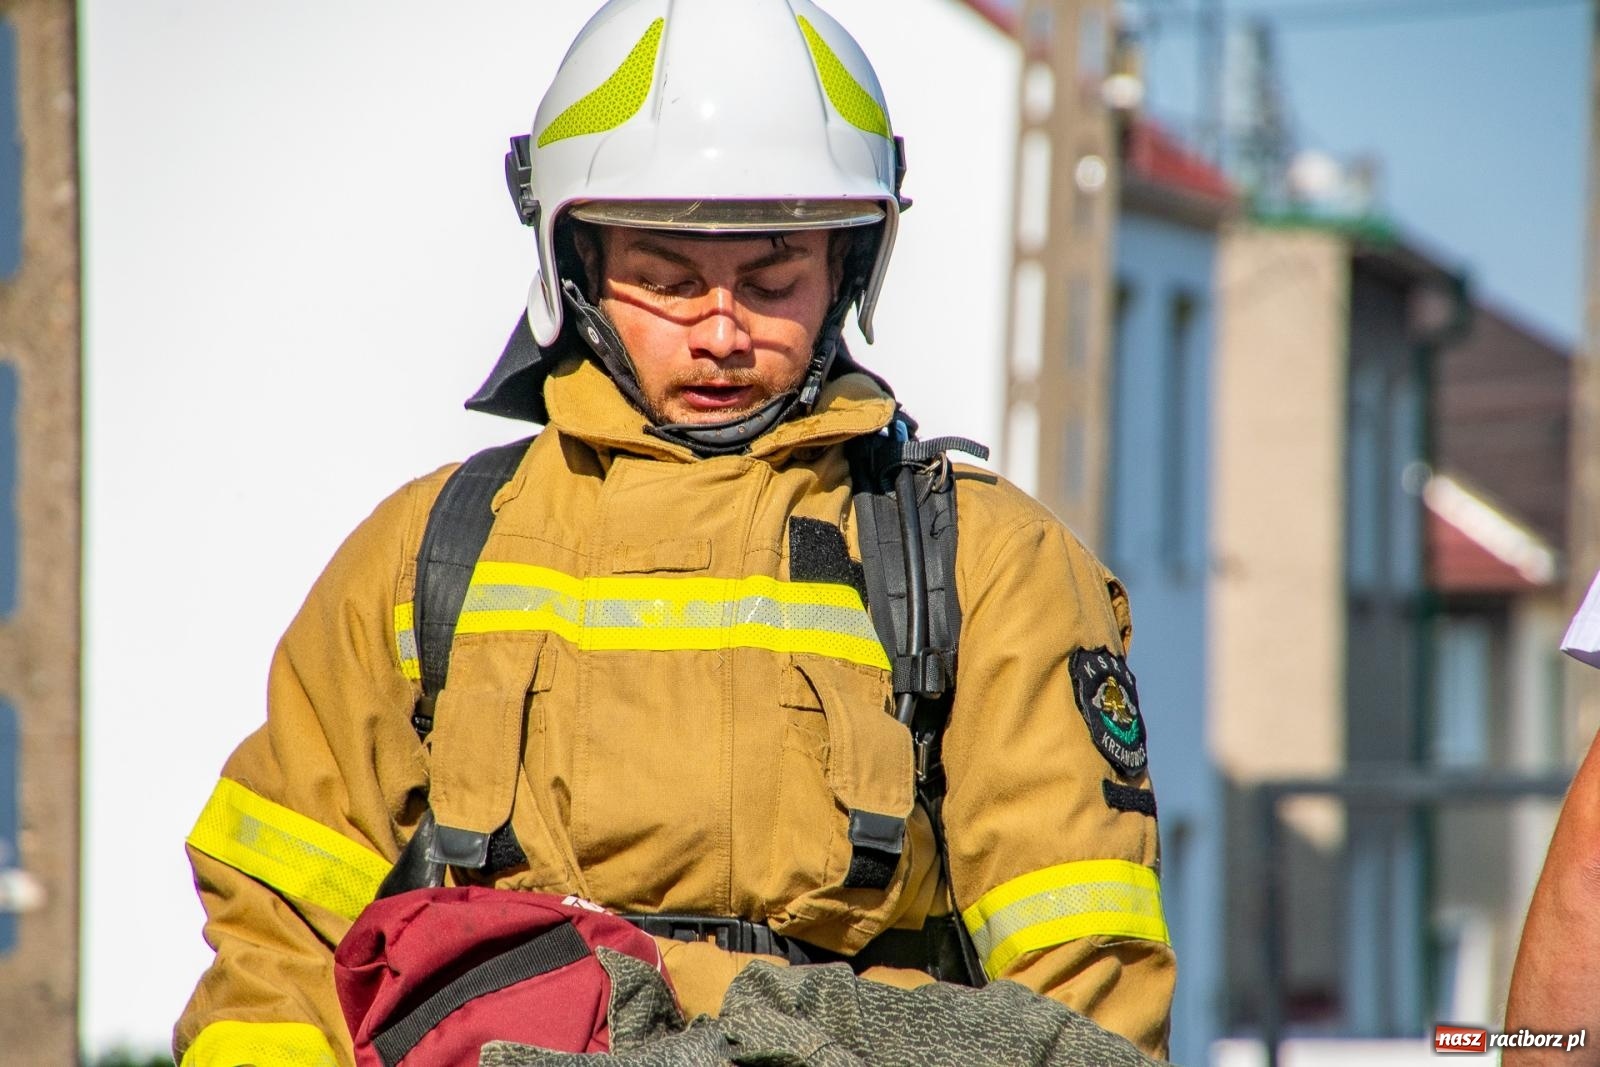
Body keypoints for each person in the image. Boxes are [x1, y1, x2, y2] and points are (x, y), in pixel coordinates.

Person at [173, 2, 1175, 1064]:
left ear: (848, 268)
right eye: (666, 277)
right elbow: (275, 933)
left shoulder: (981, 562)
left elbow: (1084, 992)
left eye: (772, 277)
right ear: (576, 264)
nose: (722, 329)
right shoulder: (428, 551)